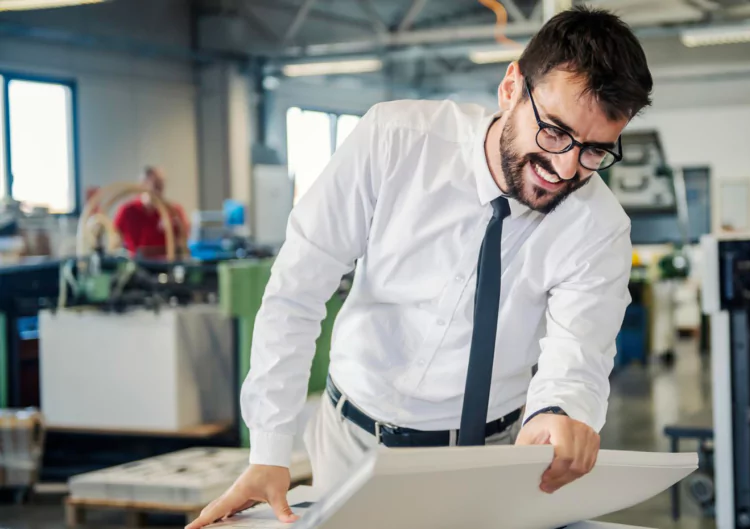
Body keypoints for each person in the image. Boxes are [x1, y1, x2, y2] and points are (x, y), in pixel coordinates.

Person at [187, 6, 652, 528]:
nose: (565, 168)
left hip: (490, 454)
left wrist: (559, 413)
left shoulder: (598, 226)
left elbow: (579, 354)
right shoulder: (394, 141)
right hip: (351, 444)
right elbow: (297, 290)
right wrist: (268, 451)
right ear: (510, 89)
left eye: (593, 152)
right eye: (555, 133)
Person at [113, 166, 188, 259]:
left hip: (166, 266)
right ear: (143, 184)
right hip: (136, 265)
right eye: (156, 185)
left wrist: (176, 227)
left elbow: (185, 241)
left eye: (162, 185)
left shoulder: (174, 211)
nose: (159, 190)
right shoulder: (127, 210)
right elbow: (114, 239)